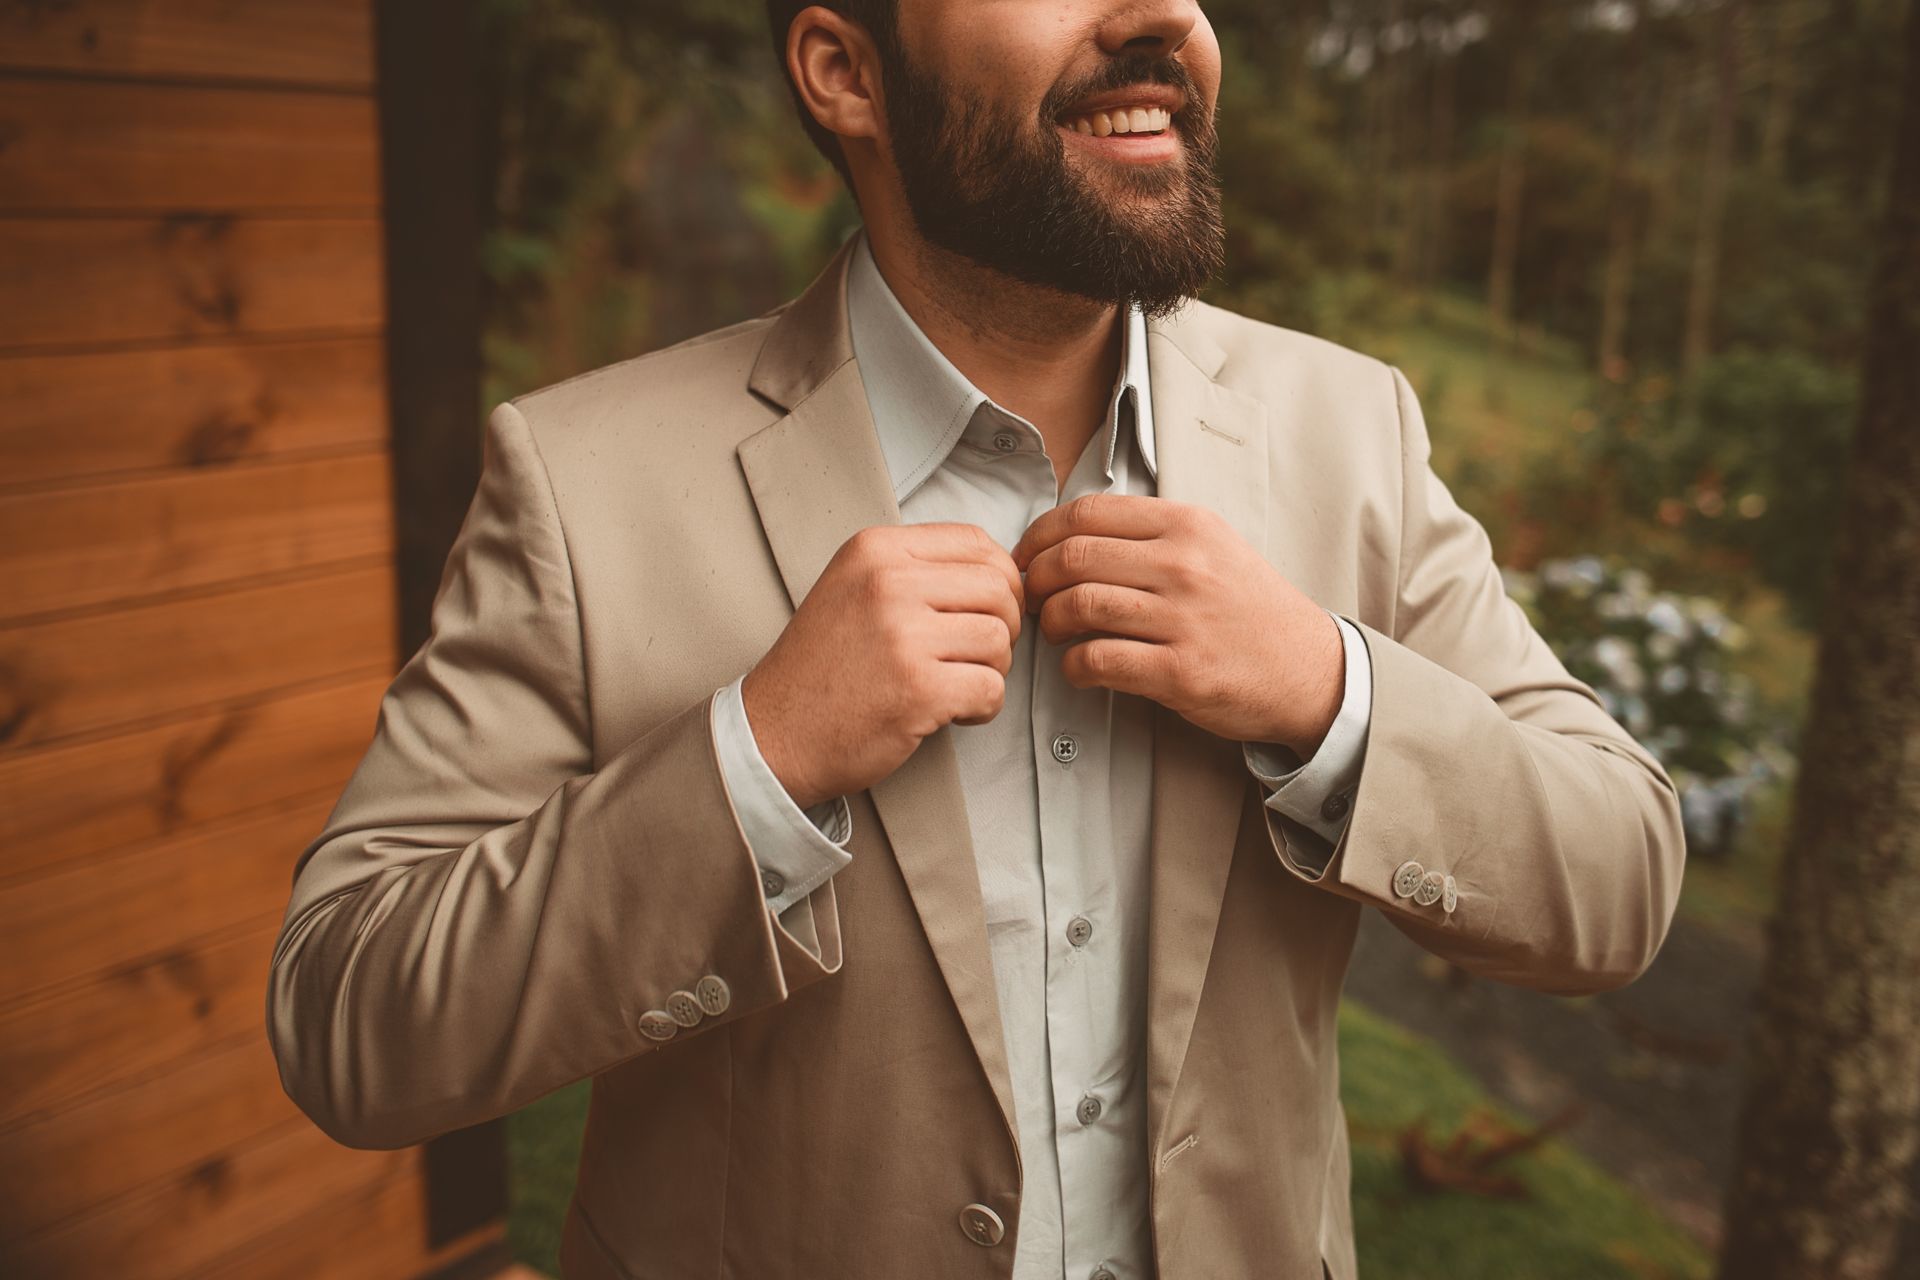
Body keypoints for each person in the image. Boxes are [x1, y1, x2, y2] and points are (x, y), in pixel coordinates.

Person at [265, 2, 1688, 1277]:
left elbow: (1619, 877)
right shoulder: (582, 484)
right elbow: (351, 1022)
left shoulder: (1349, 429)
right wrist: (752, 763)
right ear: (846, 73)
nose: (1166, 22)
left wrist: (1329, 695)